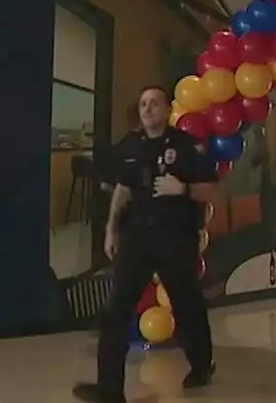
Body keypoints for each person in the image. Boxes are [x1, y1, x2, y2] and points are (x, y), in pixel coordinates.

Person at [73, 86, 218, 403]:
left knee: (187, 305)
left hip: (176, 236)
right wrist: (111, 230)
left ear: (167, 110)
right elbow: (122, 189)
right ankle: (110, 388)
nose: (148, 108)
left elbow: (208, 190)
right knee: (116, 310)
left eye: (155, 103)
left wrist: (182, 189)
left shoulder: (188, 146)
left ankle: (202, 366)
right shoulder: (132, 146)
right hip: (136, 237)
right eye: (143, 104)